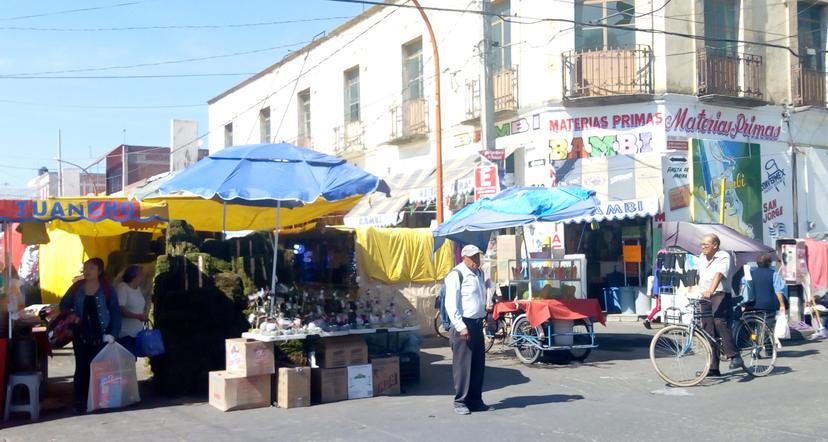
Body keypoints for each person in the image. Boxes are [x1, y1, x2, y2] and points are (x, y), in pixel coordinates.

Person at [59, 257, 121, 413]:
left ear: (99, 271)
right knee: (81, 367)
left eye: (91, 268)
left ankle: (99, 400)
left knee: (99, 368)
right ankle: (79, 401)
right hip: (80, 334)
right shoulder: (77, 287)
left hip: (101, 334)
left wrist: (113, 334)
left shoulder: (107, 289)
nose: (87, 271)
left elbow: (115, 312)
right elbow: (63, 304)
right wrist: (72, 315)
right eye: (85, 268)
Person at [444, 244, 493, 415]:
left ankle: (476, 399)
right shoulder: (456, 275)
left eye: (478, 256)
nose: (476, 260)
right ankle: (461, 401)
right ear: (464, 257)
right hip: (463, 325)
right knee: (463, 365)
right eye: (473, 257)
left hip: (477, 323)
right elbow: (451, 304)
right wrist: (461, 326)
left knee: (478, 364)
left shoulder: (479, 274)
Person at [698, 233, 742, 376]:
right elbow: (701, 277)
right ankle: (713, 367)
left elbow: (719, 274)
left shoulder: (723, 256)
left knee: (719, 321)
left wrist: (711, 290)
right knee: (708, 330)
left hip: (720, 294)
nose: (703, 246)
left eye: (706, 244)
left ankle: (735, 356)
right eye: (702, 244)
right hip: (704, 295)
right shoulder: (701, 258)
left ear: (715, 245)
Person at [116, 265, 148, 357]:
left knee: (133, 360)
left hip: (137, 332)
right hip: (126, 333)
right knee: (128, 360)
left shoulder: (138, 289)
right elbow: (121, 310)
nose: (143, 277)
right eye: (141, 275)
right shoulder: (122, 288)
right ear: (134, 277)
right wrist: (138, 316)